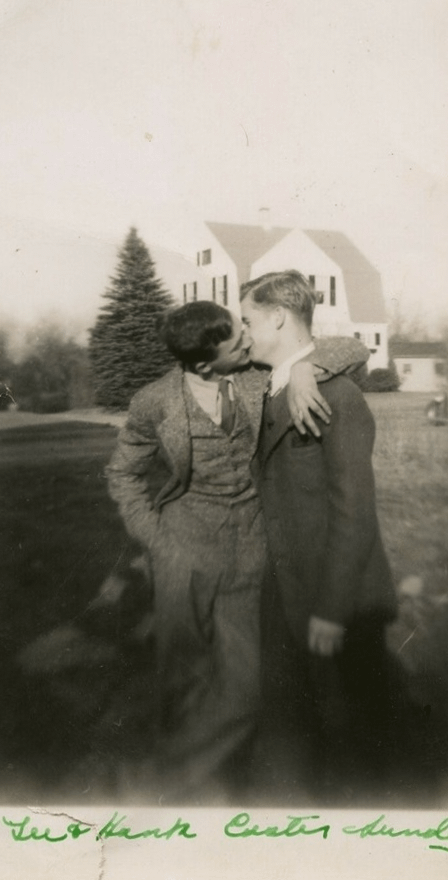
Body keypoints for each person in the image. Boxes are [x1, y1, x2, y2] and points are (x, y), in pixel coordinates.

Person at [106, 300, 368, 803]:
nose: (248, 340)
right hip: (182, 559)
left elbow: (353, 348)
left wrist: (306, 369)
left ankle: (159, 783)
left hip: (250, 560)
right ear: (205, 365)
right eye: (236, 339)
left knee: (246, 689)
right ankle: (202, 794)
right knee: (182, 682)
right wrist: (157, 540)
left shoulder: (255, 378)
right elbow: (123, 474)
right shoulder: (155, 402)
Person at [240, 270, 399, 804]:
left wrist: (332, 610)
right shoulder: (265, 383)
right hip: (281, 593)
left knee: (353, 743)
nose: (242, 334)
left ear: (277, 318)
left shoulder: (339, 397)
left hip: (335, 600)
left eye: (248, 321)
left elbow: (355, 513)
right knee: (297, 731)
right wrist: (306, 365)